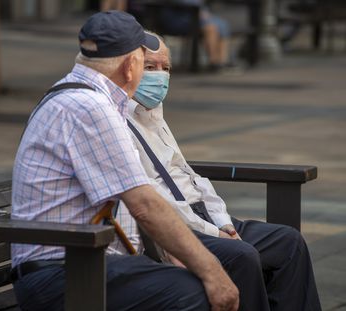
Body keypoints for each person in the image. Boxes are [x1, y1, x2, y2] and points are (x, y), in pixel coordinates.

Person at [10, 11, 239, 311]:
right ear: (131, 66)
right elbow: (144, 204)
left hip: (80, 262)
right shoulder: (89, 107)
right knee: (192, 291)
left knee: (200, 275)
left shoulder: (79, 95)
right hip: (62, 273)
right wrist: (211, 270)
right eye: (145, 64)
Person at [118, 34, 322, 311]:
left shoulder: (154, 114)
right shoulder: (117, 122)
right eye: (150, 67)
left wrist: (223, 221)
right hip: (177, 227)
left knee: (288, 242)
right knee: (242, 255)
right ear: (129, 68)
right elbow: (151, 201)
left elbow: (191, 177)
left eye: (166, 68)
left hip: (204, 216)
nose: (160, 77)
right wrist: (212, 230)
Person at [158, 0, 235, 72]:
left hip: (197, 16)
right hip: (178, 17)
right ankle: (214, 62)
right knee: (210, 28)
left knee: (223, 25)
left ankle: (222, 61)